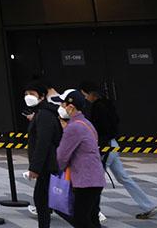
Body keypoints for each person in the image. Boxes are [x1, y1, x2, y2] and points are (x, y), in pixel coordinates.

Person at [78, 81, 157, 219]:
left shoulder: (98, 107)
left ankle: (93, 210)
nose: (85, 98)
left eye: (85, 94)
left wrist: (99, 146)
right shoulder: (107, 103)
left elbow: (101, 129)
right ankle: (148, 206)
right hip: (112, 145)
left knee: (95, 180)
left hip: (106, 147)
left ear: (91, 93)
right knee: (123, 177)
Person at [54, 89, 105, 228]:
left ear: (70, 107)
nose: (61, 108)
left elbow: (62, 156)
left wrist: (54, 170)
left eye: (63, 105)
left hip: (85, 180)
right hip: (95, 178)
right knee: (92, 218)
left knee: (80, 220)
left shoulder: (73, 127)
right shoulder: (86, 123)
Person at [25, 83, 63, 228]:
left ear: (41, 96)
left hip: (48, 164)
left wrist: (35, 168)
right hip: (47, 164)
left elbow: (43, 143)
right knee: (43, 200)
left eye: (32, 94)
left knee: (44, 200)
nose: (28, 97)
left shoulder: (44, 114)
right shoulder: (41, 112)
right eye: (26, 94)